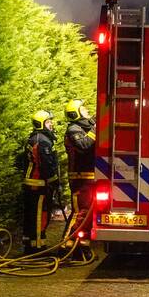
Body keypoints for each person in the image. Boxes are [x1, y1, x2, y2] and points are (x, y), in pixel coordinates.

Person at [22, 110, 59, 252]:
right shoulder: (42, 141)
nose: (51, 124)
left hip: (32, 183)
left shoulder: (34, 138)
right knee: (39, 214)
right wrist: (54, 181)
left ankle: (30, 243)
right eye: (49, 122)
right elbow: (46, 165)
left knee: (31, 215)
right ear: (41, 124)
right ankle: (37, 246)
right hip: (38, 184)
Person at [64, 99, 97, 232]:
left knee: (86, 214)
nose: (86, 111)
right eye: (83, 109)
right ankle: (66, 245)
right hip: (80, 178)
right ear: (75, 114)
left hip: (87, 177)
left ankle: (81, 249)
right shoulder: (73, 129)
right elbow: (84, 145)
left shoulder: (82, 127)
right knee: (79, 213)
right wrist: (95, 129)